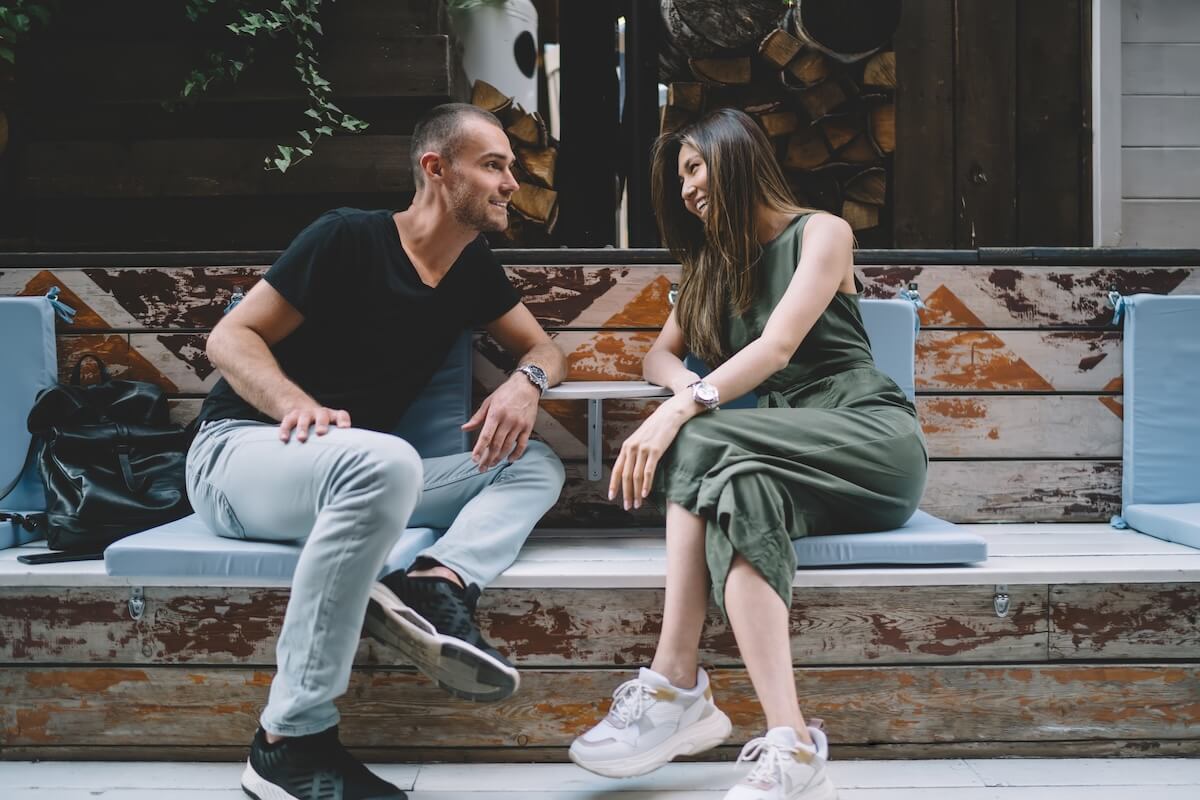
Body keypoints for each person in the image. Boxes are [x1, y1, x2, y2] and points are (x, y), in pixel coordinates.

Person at [188, 103, 567, 800]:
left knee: (532, 461)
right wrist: (292, 403)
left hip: (357, 473)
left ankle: (437, 583)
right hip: (242, 457)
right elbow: (229, 339)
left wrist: (525, 384)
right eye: (493, 164)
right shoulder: (347, 238)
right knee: (385, 459)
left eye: (512, 166)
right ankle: (288, 743)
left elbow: (543, 348)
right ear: (436, 169)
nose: (512, 181)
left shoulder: (470, 268)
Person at [568, 108, 927, 800]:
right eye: (680, 178)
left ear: (735, 157)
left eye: (695, 167)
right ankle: (792, 743)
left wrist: (681, 409)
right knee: (740, 497)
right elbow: (656, 354)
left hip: (868, 437)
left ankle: (675, 680)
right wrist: (684, 387)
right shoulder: (709, 266)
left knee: (700, 435)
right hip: (782, 455)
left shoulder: (823, 232)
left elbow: (779, 347)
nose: (687, 188)